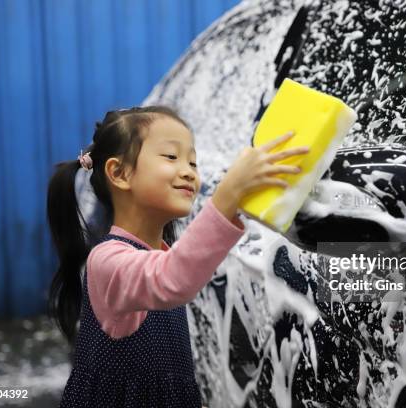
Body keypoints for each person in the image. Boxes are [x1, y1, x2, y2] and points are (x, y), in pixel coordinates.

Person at [46, 105, 309, 407]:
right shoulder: (106, 261)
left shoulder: (162, 255)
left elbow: (180, 265)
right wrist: (227, 194)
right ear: (119, 173)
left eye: (193, 162)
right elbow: (173, 278)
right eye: (171, 157)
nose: (188, 171)